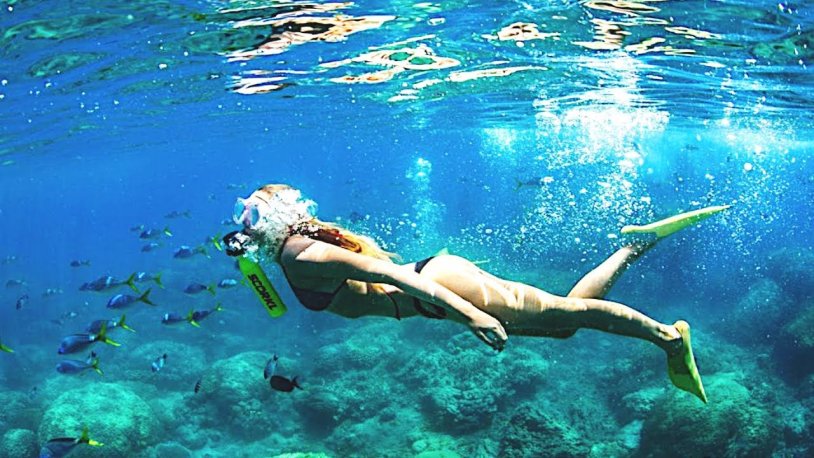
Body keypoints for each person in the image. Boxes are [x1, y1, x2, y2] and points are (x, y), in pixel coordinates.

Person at [224, 184, 727, 404]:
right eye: (240, 218)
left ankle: (669, 339)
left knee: (568, 312)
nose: (244, 226)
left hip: (437, 289)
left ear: (276, 220)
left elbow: (404, 280)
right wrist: (246, 248)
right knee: (567, 324)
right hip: (435, 291)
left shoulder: (302, 256)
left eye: (251, 216)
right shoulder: (296, 246)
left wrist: (470, 316)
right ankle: (635, 246)